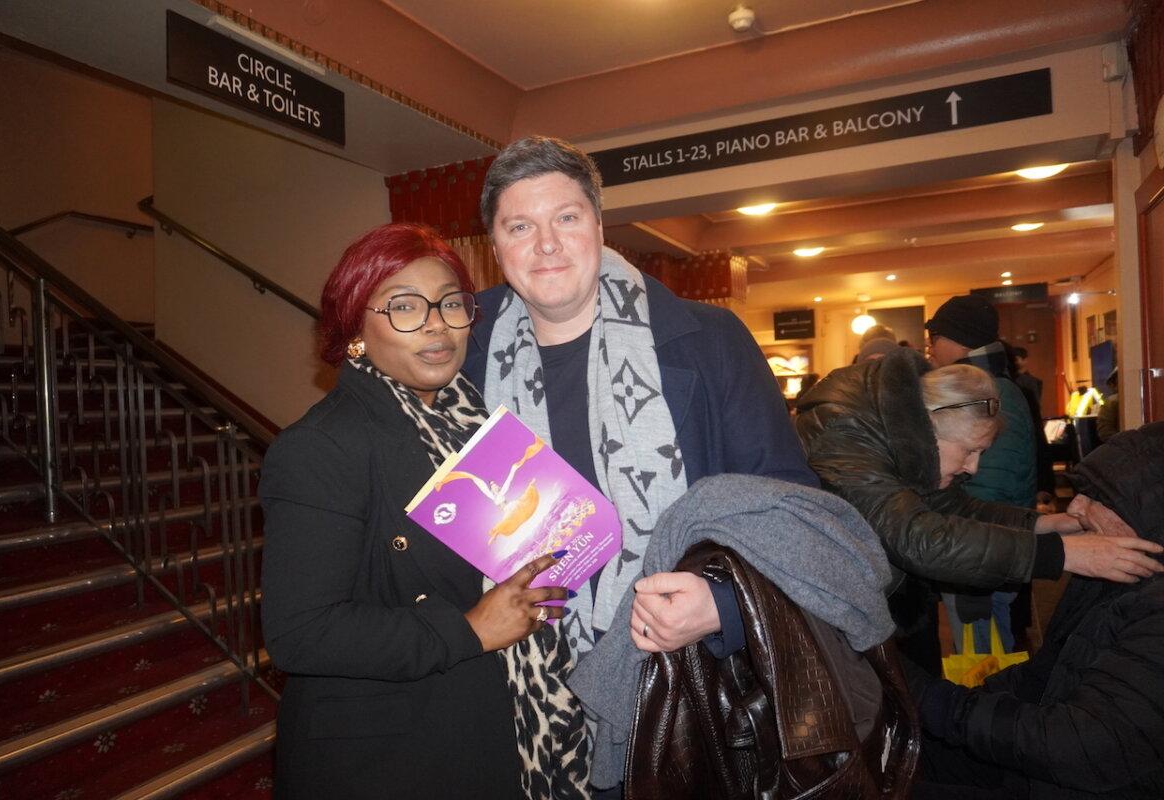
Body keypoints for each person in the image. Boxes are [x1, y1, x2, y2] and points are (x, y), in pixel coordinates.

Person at [462, 135, 818, 795]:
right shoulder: (462, 352)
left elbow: (790, 508)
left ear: (598, 226)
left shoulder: (708, 341)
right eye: (520, 225)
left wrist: (723, 603)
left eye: (566, 217)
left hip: (680, 696)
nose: (547, 243)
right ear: (495, 246)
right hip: (516, 700)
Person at [260, 223, 581, 799]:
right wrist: (468, 629)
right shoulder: (320, 447)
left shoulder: (481, 426)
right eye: (404, 306)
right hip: (391, 755)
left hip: (496, 724)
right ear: (355, 329)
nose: (436, 324)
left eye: (450, 303)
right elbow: (301, 633)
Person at [793, 348, 1163, 675]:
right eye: (969, 450)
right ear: (926, 428)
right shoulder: (844, 429)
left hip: (876, 598)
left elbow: (953, 509)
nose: (973, 468)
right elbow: (916, 536)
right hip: (824, 614)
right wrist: (1063, 554)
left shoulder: (904, 433)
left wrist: (1047, 524)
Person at [909, 423, 1164, 799]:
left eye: (1100, 497)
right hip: (1049, 763)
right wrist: (941, 701)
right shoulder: (1118, 575)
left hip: (1080, 778)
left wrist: (935, 702)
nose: (1076, 506)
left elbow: (1082, 747)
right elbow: (1045, 675)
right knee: (895, 764)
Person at [926, 296, 1037, 654]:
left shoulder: (981, 393)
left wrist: (968, 558)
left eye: (935, 338)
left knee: (984, 660)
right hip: (990, 547)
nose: (930, 349)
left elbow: (990, 485)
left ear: (957, 340)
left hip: (981, 554)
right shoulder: (998, 386)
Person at [1010, 345, 1044, 411]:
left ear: (1025, 360)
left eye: (1016, 359)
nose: (1014, 362)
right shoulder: (1009, 379)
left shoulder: (1032, 381)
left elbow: (1035, 405)